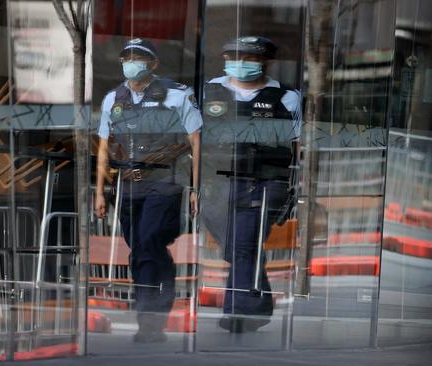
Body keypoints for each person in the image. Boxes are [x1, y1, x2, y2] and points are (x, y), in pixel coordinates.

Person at [94, 38, 201, 343]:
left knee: (151, 242)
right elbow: (104, 146)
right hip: (128, 184)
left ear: (153, 64)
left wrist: (195, 187)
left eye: (139, 57)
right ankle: (152, 311)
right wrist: (99, 191)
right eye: (126, 57)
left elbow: (196, 141)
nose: (132, 62)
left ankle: (150, 318)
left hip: (165, 181)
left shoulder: (178, 95)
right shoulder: (113, 98)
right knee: (141, 249)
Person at [200, 36, 301, 333]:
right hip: (216, 182)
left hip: (263, 182)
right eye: (234, 56)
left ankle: (238, 312)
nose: (240, 63)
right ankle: (258, 303)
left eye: (249, 58)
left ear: (265, 62)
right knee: (239, 247)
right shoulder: (208, 91)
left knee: (243, 245)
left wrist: (295, 186)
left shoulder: (286, 97)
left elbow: (297, 145)